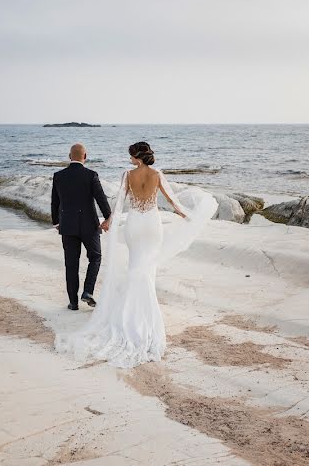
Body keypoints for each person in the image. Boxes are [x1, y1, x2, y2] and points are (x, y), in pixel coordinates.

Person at [56, 141, 218, 368]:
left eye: (131, 155)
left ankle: (129, 312)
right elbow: (172, 201)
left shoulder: (127, 175)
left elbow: (119, 204)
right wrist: (187, 217)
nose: (129, 158)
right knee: (147, 267)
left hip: (134, 225)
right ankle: (145, 309)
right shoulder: (158, 174)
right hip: (153, 226)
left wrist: (109, 221)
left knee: (136, 266)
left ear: (137, 157)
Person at [50, 143, 112, 311]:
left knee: (71, 264)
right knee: (96, 257)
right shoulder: (91, 175)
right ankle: (87, 291)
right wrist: (108, 217)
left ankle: (73, 303)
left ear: (70, 156)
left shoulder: (58, 176)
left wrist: (56, 222)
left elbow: (55, 202)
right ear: (85, 156)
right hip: (89, 225)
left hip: (67, 225)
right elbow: (101, 199)